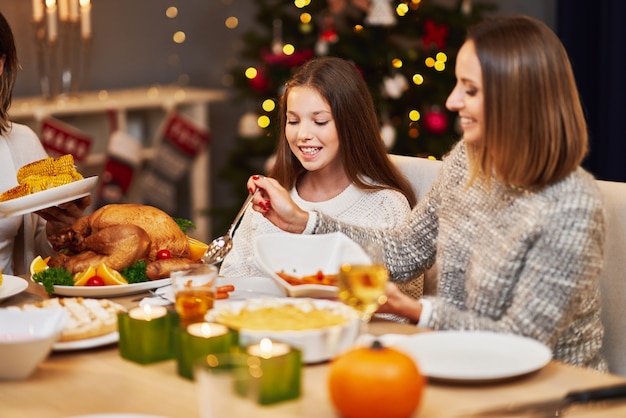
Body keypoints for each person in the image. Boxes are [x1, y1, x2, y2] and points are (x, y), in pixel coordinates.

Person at [246, 15, 607, 371]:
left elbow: (523, 343)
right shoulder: (468, 160)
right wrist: (304, 221)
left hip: (550, 395)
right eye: (457, 85)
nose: (452, 102)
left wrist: (416, 311)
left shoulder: (570, 203)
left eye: (470, 90)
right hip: (459, 364)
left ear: (518, 98)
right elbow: (404, 250)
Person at [219, 56, 420, 297]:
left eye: (320, 121)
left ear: (351, 124)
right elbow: (231, 283)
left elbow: (403, 308)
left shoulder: (385, 206)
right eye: (293, 121)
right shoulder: (270, 199)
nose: (303, 134)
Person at [0, 12, 89, 276]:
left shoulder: (23, 143)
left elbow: (39, 258)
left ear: (1, 64)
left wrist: (58, 231)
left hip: (12, 311)